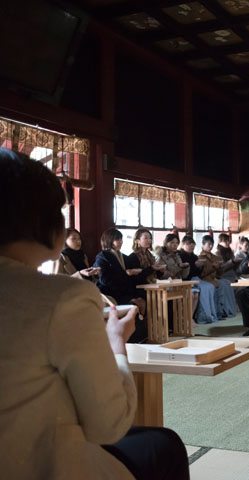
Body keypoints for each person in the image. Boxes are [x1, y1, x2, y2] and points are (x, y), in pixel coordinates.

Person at [0, 148, 189, 479]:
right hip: (37, 463)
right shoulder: (62, 299)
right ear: (50, 226)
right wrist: (116, 345)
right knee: (163, 444)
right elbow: (110, 424)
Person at [94, 228, 147, 320]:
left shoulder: (123, 256)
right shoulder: (102, 257)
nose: (121, 242)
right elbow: (104, 280)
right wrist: (126, 274)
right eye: (117, 239)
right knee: (137, 303)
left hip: (124, 290)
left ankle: (141, 329)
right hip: (111, 293)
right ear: (109, 240)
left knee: (145, 298)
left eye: (121, 239)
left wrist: (133, 273)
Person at [198, 235, 236, 319]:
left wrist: (220, 268)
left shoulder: (215, 257)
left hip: (214, 278)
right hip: (205, 279)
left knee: (227, 283)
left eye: (212, 244)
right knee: (221, 285)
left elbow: (219, 274)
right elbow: (202, 274)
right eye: (208, 244)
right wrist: (213, 267)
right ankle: (219, 312)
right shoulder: (200, 257)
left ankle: (228, 310)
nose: (210, 246)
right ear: (203, 245)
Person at [178, 236, 209, 323]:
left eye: (193, 244)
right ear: (183, 244)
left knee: (207, 287)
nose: (191, 246)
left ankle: (192, 317)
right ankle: (191, 318)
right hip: (184, 280)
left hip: (193, 278)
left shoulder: (194, 256)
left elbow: (197, 273)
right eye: (189, 244)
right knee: (197, 291)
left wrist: (200, 267)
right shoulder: (179, 255)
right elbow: (184, 274)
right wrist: (194, 266)